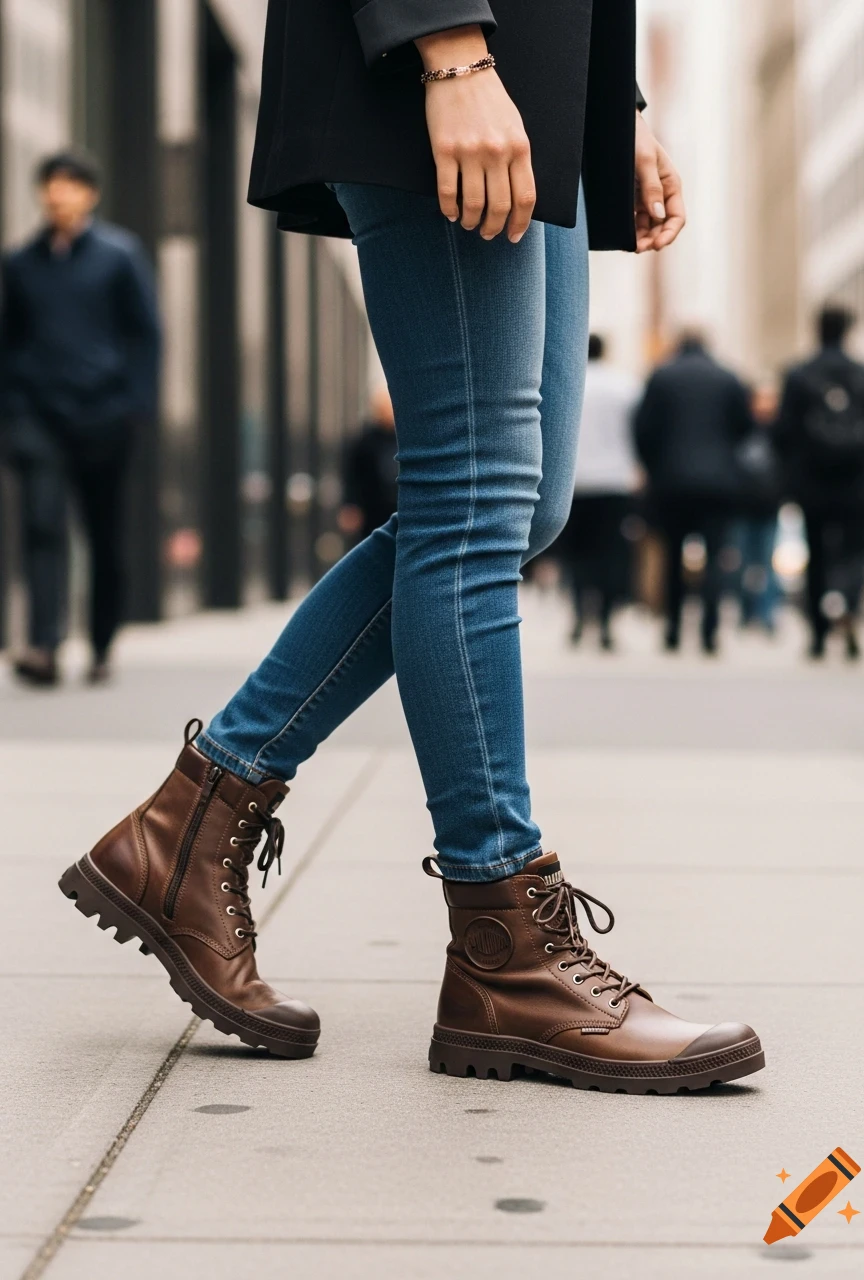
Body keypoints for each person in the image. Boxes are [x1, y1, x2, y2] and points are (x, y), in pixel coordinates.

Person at [60, 3, 763, 1093]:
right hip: (447, 55)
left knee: (515, 507)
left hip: (537, 69)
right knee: (474, 495)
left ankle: (190, 823)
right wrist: (445, 44)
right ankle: (505, 948)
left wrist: (606, 96)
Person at [0, 151, 161, 686]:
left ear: (89, 194)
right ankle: (44, 647)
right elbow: (10, 341)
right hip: (39, 416)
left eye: (68, 185)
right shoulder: (20, 264)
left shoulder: (119, 256)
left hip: (104, 416)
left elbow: (145, 333)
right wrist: (14, 409)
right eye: (49, 185)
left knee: (103, 532)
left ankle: (101, 643)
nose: (57, 194)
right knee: (42, 526)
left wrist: (135, 407)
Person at [775, 305, 864, 661]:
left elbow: (783, 432)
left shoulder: (799, 375)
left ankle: (818, 635)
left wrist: (793, 470)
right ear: (848, 330)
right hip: (858, 481)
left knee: (818, 553)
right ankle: (851, 610)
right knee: (857, 551)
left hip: (813, 482)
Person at [635, 331, 753, 654]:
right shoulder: (728, 378)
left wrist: (655, 466)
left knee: (673, 557)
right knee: (715, 558)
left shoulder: (661, 377)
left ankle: (673, 629)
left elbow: (643, 430)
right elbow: (744, 428)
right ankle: (710, 632)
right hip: (718, 485)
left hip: (671, 483)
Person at [561, 334, 641, 650]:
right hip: (615, 480)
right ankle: (607, 621)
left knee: (577, 555)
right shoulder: (625, 386)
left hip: (576, 481)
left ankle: (580, 616)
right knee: (610, 553)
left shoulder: (570, 385)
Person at [732, 381, 783, 633]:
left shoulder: (780, 432)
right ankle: (745, 612)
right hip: (743, 505)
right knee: (742, 563)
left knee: (767, 563)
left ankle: (767, 614)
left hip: (769, 506)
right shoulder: (741, 428)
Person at [338, 385, 399, 542]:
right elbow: (352, 476)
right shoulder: (365, 440)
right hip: (371, 509)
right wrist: (351, 505)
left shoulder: (404, 439)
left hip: (399, 508)